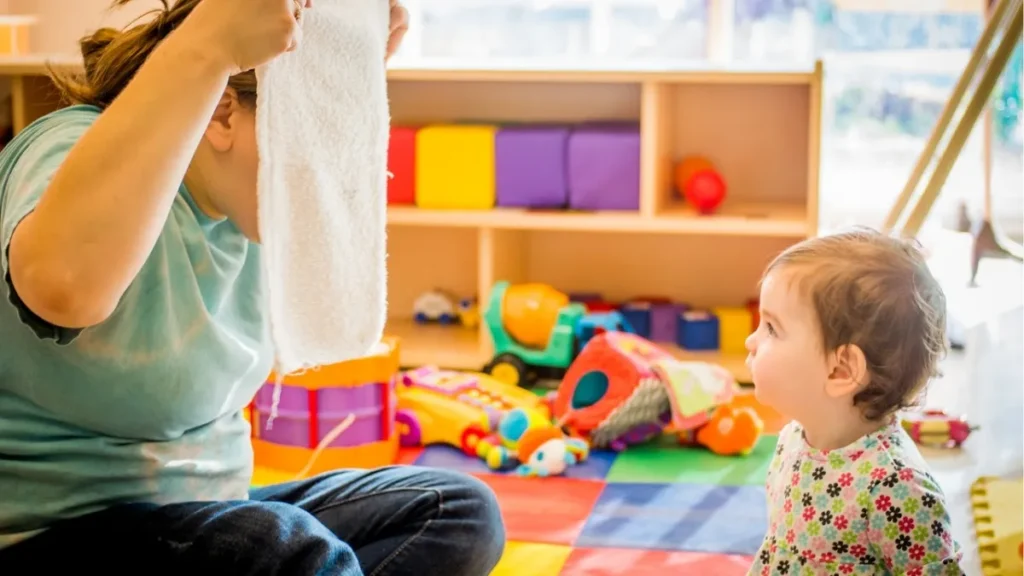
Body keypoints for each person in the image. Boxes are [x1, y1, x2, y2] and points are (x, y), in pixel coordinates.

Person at [0, 0, 505, 574]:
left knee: (458, 511)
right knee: (276, 546)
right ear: (221, 112)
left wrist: (351, 41)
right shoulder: (72, 146)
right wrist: (207, 46)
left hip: (209, 521)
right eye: (311, 133)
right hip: (51, 533)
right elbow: (60, 287)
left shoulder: (245, 209)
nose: (332, 164)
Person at [745, 229, 964, 575]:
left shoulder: (897, 487)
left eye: (771, 328)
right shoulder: (793, 439)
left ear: (841, 371)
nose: (750, 341)